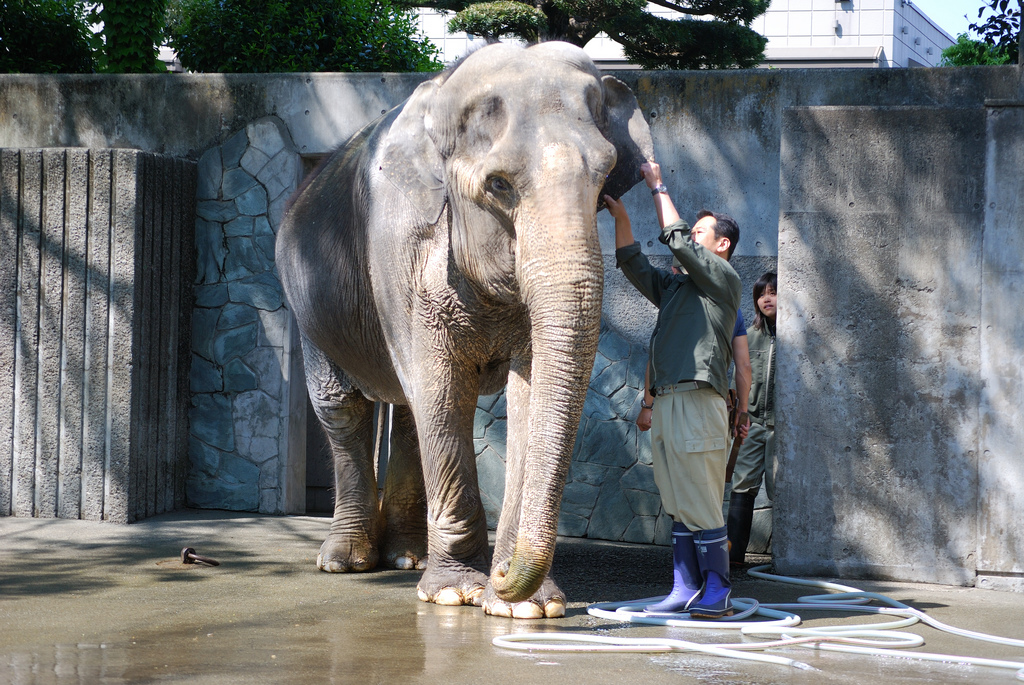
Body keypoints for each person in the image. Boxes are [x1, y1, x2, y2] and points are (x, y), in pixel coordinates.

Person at [605, 162, 742, 619]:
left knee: (700, 496)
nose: (691, 236)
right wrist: (620, 214)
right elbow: (633, 263)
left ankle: (718, 587)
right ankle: (685, 586)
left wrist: (657, 186)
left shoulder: (723, 282)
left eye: (702, 231)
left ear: (722, 245)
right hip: (666, 400)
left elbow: (677, 239)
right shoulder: (676, 289)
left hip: (699, 399)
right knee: (676, 498)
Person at [727, 272, 777, 566]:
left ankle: (785, 559)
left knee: (780, 487)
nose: (767, 298)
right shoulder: (751, 334)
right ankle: (733, 558)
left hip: (783, 427)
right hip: (753, 421)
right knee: (742, 483)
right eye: (761, 294)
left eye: (773, 292)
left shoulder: (795, 334)